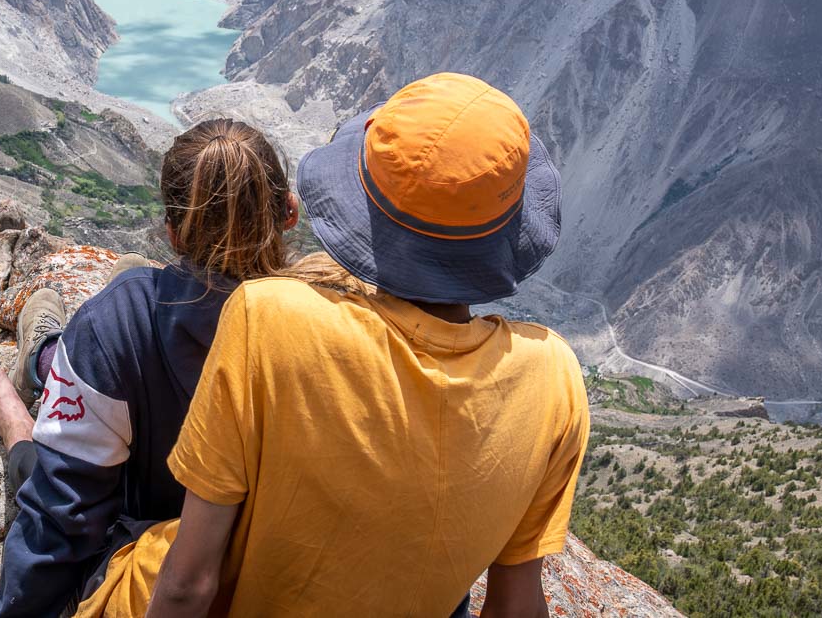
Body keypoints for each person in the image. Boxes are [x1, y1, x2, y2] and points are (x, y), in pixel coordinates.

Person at [77, 72, 588, 618]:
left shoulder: (267, 316)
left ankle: (22, 418)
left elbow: (188, 585)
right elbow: (515, 608)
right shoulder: (554, 378)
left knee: (101, 523)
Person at [0, 118, 300, 617]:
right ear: (289, 213)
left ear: (173, 231)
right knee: (123, 307)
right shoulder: (325, 323)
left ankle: (25, 393)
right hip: (268, 566)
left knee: (86, 369)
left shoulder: (115, 327)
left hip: (143, 555)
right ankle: (97, 319)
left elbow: (61, 518)